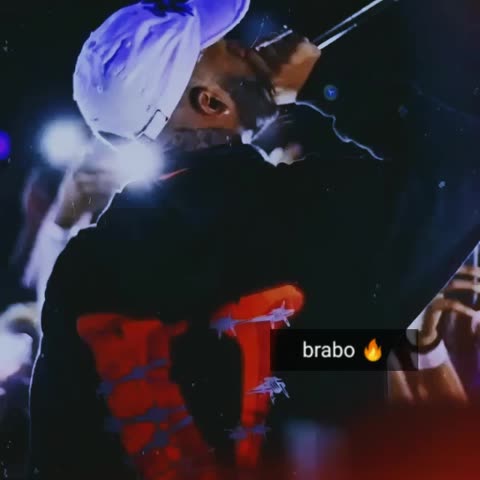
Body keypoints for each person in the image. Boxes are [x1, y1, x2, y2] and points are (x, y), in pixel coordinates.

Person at [28, 0, 480, 479]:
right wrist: (327, 82)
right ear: (211, 102)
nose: (251, 48)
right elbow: (467, 167)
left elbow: (58, 455)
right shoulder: (313, 210)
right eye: (228, 48)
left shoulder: (83, 268)